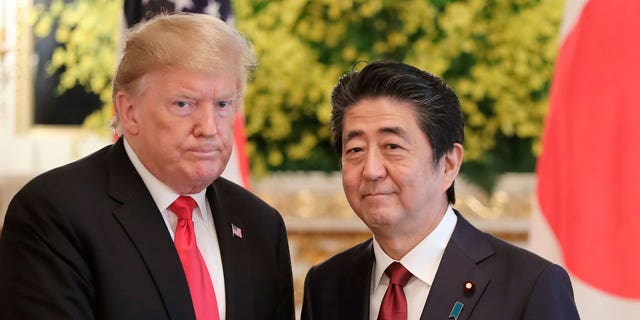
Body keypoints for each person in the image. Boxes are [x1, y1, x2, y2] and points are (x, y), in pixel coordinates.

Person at [0, 13, 294, 320]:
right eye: (184, 104)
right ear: (129, 112)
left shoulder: (261, 225)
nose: (209, 128)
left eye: (222, 104)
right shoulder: (55, 213)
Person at [301, 61, 580, 320]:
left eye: (392, 147)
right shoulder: (326, 285)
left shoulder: (529, 286)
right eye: (356, 150)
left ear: (448, 164)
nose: (371, 170)